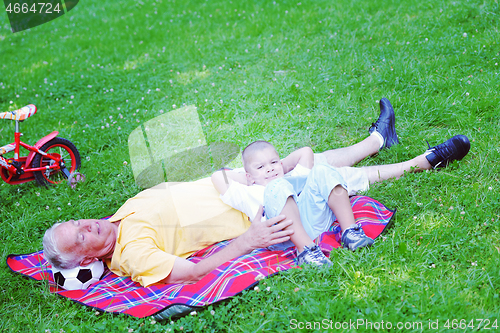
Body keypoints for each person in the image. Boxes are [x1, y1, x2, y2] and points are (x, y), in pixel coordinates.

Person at [43, 98, 470, 286]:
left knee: (307, 158)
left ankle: (377, 141)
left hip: (228, 183)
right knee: (316, 176)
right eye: (80, 236)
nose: (85, 224)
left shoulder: (118, 216)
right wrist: (248, 241)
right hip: (249, 209)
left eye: (76, 222)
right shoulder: (131, 254)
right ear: (88, 258)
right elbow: (191, 273)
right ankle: (420, 162)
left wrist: (232, 176)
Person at [211, 98, 471, 267]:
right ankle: (307, 251)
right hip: (287, 236)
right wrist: (253, 176)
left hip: (315, 218)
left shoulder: (288, 175)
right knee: (279, 187)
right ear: (248, 176)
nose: (269, 169)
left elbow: (306, 153)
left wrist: (282, 168)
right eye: (261, 167)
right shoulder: (249, 192)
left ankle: (350, 231)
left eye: (273, 162)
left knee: (322, 172)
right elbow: (217, 175)